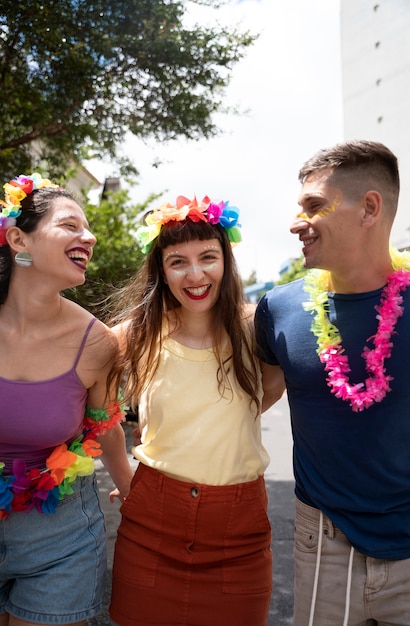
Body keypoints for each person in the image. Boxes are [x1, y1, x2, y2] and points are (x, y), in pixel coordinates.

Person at [255, 140, 410, 626]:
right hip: (322, 542)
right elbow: (252, 399)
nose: (294, 222)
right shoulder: (278, 309)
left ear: (370, 208)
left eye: (313, 205)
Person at [107, 195, 278, 626]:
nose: (195, 274)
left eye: (208, 257)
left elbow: (268, 392)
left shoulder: (257, 327)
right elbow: (96, 405)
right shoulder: (136, 335)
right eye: (177, 261)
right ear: (161, 272)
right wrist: (129, 482)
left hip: (239, 536)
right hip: (151, 528)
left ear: (227, 261)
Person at [0, 173, 134, 626]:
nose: (89, 236)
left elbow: (106, 426)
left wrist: (134, 493)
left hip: (60, 533)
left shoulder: (97, 343)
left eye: (88, 227)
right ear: (19, 238)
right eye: (71, 225)